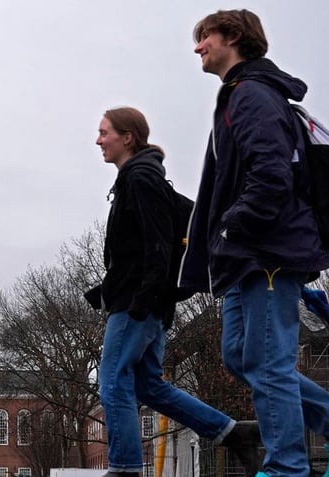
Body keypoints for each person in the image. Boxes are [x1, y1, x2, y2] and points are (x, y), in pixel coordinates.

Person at [180, 9, 329, 477]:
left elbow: (272, 172)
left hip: (264, 251)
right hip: (246, 256)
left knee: (268, 362)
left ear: (233, 37)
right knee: (241, 355)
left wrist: (233, 227)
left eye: (205, 36)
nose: (198, 47)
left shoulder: (251, 96)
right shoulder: (240, 96)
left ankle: (287, 467)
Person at [86, 106, 260, 477]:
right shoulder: (143, 178)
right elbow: (182, 224)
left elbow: (159, 245)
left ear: (127, 137)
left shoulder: (141, 180)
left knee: (114, 380)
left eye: (105, 132)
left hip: (139, 304)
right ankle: (231, 431)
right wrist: (110, 287)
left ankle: (125, 468)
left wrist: (144, 299)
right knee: (149, 385)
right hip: (147, 301)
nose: (98, 140)